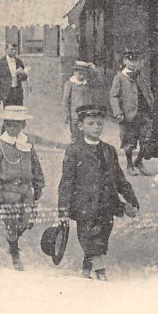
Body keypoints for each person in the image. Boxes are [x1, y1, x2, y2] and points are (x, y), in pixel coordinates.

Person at [57, 105, 139, 281]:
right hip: (84, 207)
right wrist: (63, 211)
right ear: (81, 126)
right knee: (89, 239)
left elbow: (119, 178)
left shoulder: (108, 150)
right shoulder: (74, 151)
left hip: (107, 205)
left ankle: (86, 271)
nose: (96, 127)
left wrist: (132, 200)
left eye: (99, 124)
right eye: (91, 123)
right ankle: (101, 274)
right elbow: (66, 182)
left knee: (100, 240)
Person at [0, 106, 45, 271]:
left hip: (26, 190)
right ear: (5, 124)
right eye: (10, 124)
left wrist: (39, 184)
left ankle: (14, 238)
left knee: (26, 221)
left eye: (17, 124)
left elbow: (36, 166)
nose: (13, 127)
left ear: (23, 125)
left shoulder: (27, 144)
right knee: (11, 222)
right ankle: (14, 250)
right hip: (8, 191)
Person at [109, 48, 155, 174]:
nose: (133, 63)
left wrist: (152, 105)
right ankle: (130, 165)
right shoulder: (120, 77)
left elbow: (147, 92)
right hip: (128, 114)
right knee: (129, 140)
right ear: (125, 61)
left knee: (147, 139)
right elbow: (113, 96)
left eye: (136, 61)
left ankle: (139, 161)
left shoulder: (141, 76)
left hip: (144, 113)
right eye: (130, 60)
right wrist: (118, 112)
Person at [62, 61, 96, 142]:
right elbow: (65, 100)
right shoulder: (70, 84)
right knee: (75, 133)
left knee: (86, 134)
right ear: (75, 72)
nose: (81, 76)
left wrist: (93, 69)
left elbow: (97, 79)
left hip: (86, 114)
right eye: (79, 74)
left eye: (84, 74)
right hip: (75, 115)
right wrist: (66, 114)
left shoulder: (87, 83)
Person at [0, 42, 28, 109]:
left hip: (17, 92)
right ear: (6, 50)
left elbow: (23, 78)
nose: (14, 51)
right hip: (6, 92)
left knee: (19, 114)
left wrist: (23, 73)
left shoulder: (19, 62)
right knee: (8, 114)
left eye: (15, 50)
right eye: (11, 49)